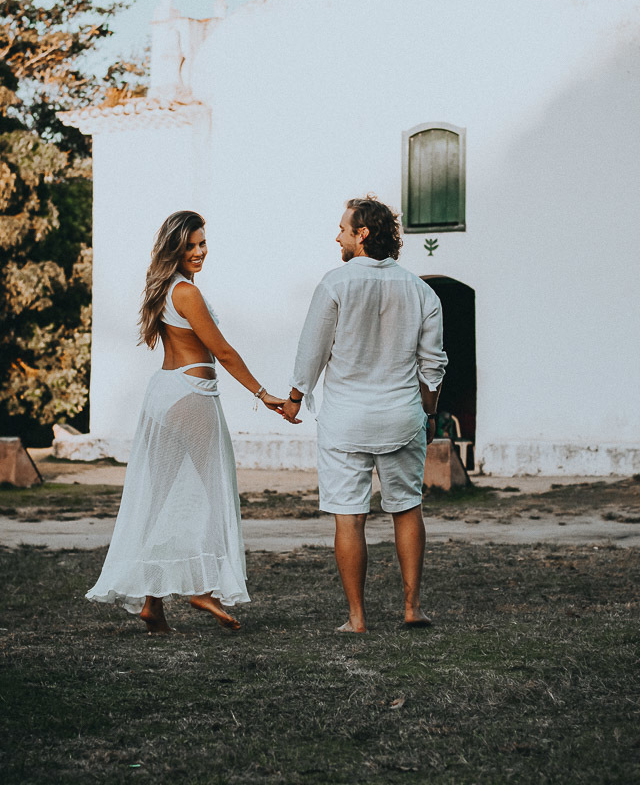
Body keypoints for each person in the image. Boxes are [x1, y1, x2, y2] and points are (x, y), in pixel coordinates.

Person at [86, 210, 283, 634]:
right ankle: (203, 589)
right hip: (192, 395)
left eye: (202, 243)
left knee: (157, 501)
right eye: (190, 246)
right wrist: (263, 394)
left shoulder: (165, 289)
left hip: (164, 394)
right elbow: (223, 352)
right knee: (214, 492)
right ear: (174, 249)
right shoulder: (187, 293)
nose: (199, 252)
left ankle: (152, 604)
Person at [281, 196, 447, 633]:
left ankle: (356, 618)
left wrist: (295, 397)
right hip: (402, 416)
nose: (336, 236)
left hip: (346, 421)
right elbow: (433, 365)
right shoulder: (421, 291)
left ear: (362, 234)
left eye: (342, 229)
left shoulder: (335, 284)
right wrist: (430, 413)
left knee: (349, 517)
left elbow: (312, 350)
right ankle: (412, 607)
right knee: (407, 508)